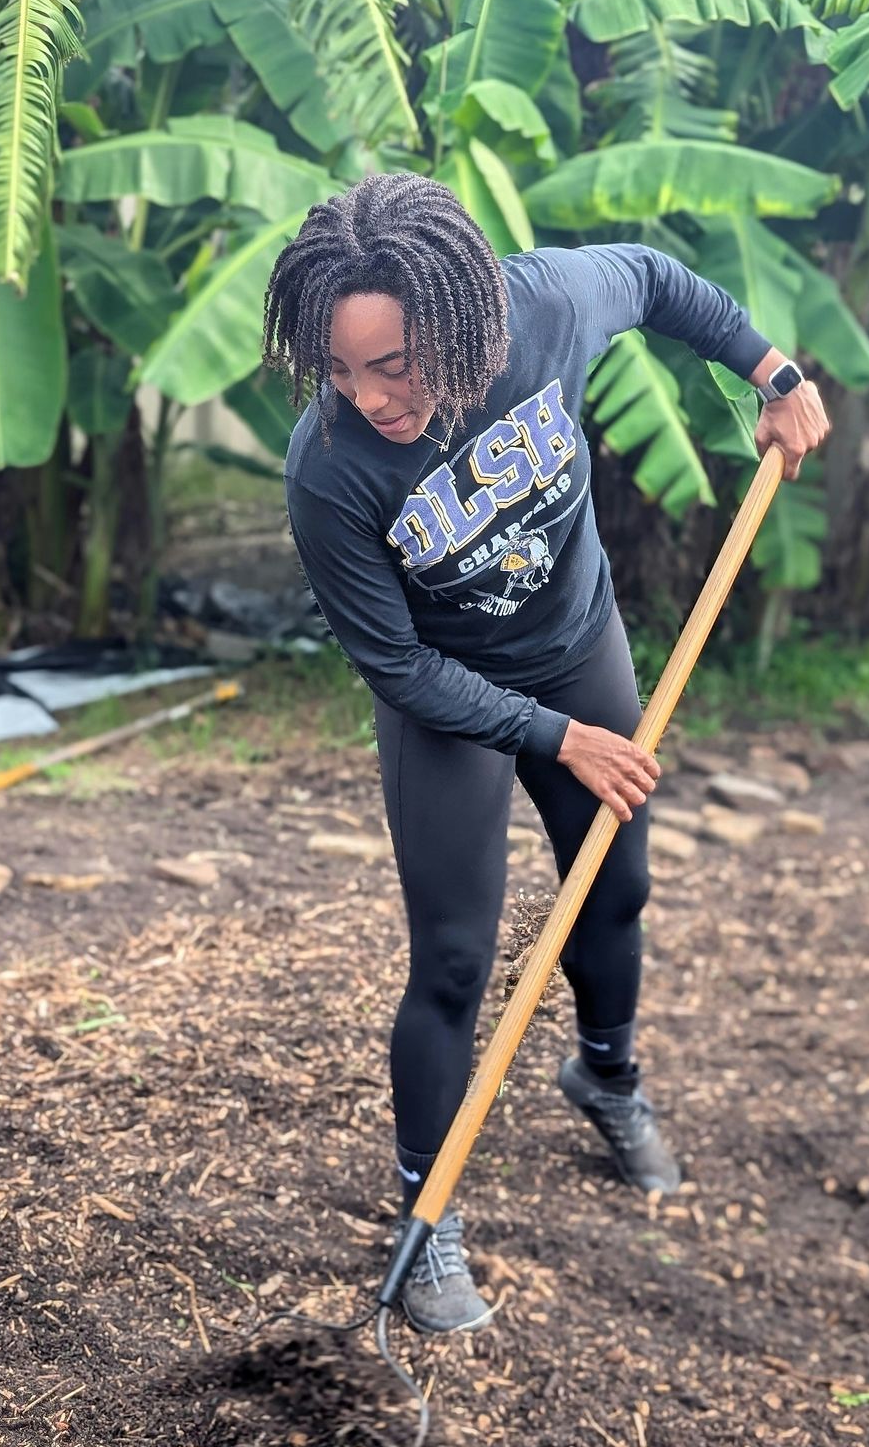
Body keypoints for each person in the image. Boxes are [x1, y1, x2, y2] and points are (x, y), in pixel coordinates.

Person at [264, 173, 829, 1334]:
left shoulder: (549, 308)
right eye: (342, 370)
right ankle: (429, 1219)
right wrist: (556, 741)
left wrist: (776, 375)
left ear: (464, 323)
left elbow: (665, 283)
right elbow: (398, 671)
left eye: (396, 364)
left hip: (578, 650)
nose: (371, 396)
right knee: (456, 962)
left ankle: (607, 1073)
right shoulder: (328, 470)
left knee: (616, 895)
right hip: (448, 700)